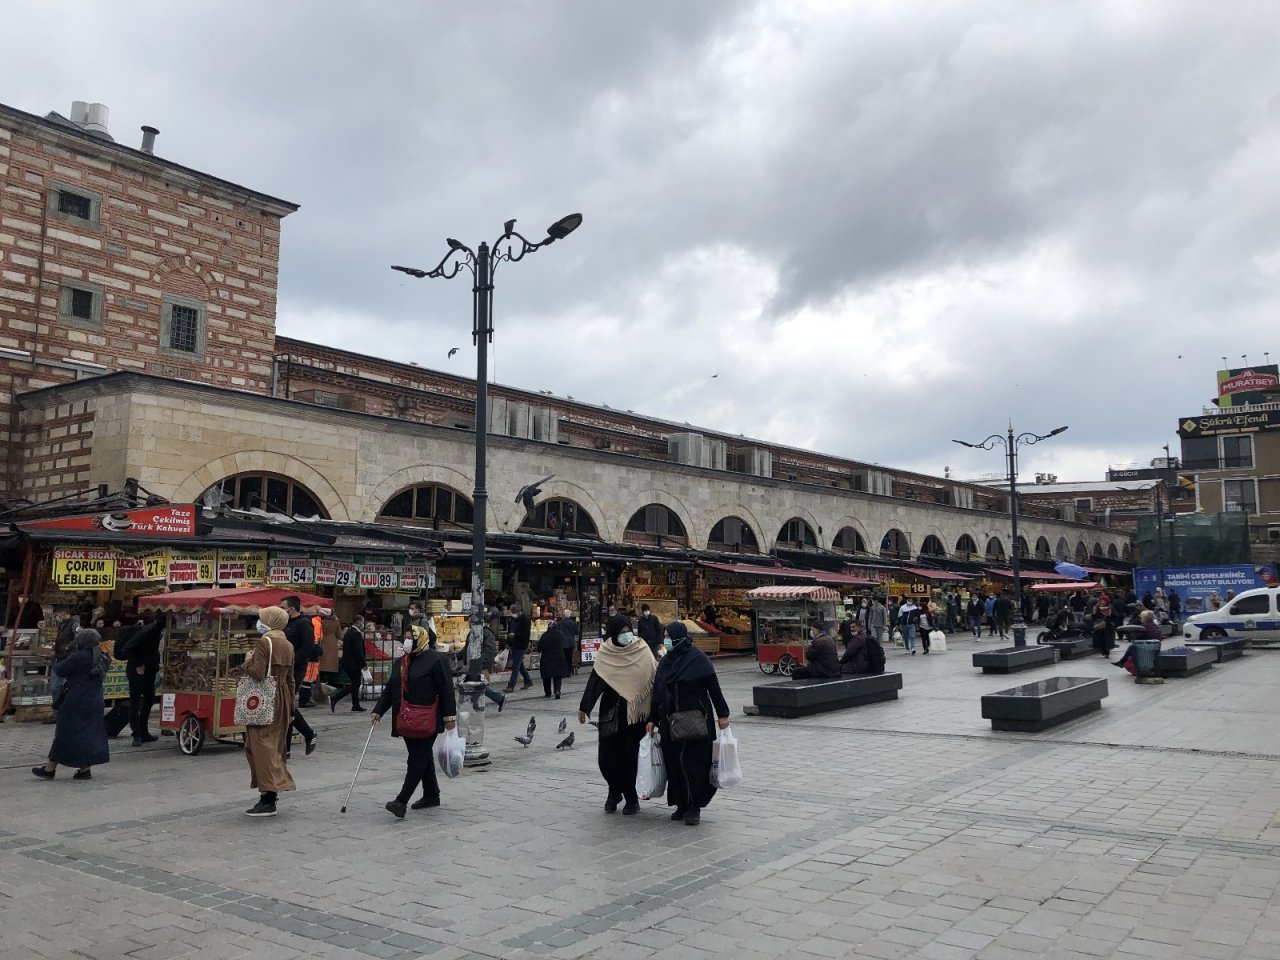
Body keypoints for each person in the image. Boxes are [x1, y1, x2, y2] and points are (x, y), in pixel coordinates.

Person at [647, 622, 731, 826]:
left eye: (668, 636)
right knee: (674, 763)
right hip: (670, 721)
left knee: (695, 764)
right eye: (664, 635)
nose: (666, 639)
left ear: (679, 637)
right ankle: (681, 804)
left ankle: (694, 806)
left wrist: (723, 714)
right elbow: (658, 692)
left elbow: (714, 687)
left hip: (696, 721)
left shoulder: (698, 659)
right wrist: (652, 718)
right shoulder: (666, 662)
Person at [372, 624, 458, 818]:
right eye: (406, 637)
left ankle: (401, 801)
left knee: (417, 758)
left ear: (422, 638)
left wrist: (450, 718)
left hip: (428, 717)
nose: (407, 640)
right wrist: (378, 710)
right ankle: (431, 794)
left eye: (412, 637)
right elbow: (391, 689)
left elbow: (447, 690)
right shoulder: (402, 662)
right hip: (406, 718)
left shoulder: (437, 660)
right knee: (422, 756)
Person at [579, 614, 656, 815]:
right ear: (613, 634)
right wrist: (584, 707)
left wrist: (655, 715)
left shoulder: (642, 649)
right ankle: (614, 789)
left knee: (630, 758)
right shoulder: (606, 652)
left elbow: (653, 680)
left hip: (635, 715)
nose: (626, 635)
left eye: (627, 631)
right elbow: (596, 680)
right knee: (606, 758)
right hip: (611, 712)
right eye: (621, 632)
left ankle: (630, 797)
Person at [32, 628, 110, 782]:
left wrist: (57, 657)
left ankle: (50, 769)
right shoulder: (102, 656)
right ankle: (84, 769)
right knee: (87, 735)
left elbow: (60, 670)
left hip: (76, 701)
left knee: (64, 732)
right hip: (95, 701)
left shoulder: (80, 656)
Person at [241, 606, 296, 816]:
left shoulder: (266, 641)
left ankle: (268, 797)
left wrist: (247, 660)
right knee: (274, 747)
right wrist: (291, 707)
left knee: (260, 747)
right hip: (281, 697)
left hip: (264, 699)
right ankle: (272, 790)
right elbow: (291, 680)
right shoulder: (288, 644)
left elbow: (257, 674)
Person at [281, 597, 318, 755]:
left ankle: (307, 734)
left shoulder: (303, 623)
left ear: (292, 608)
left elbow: (308, 646)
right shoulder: (286, 623)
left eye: (283, 607)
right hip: (284, 669)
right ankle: (288, 746)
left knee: (288, 706)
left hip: (295, 669)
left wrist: (293, 660)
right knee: (286, 707)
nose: (281, 610)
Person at [124, 614, 164, 745]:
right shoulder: (148, 631)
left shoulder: (156, 631)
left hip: (149, 670)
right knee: (135, 701)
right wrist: (139, 663)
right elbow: (129, 648)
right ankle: (136, 734)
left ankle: (143, 730)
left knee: (149, 698)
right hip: (137, 670)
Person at [330, 615, 367, 712]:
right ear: (359, 622)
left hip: (347, 662)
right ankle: (335, 697)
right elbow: (359, 651)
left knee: (354, 683)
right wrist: (364, 664)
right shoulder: (356, 634)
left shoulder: (349, 632)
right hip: (353, 663)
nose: (363, 624)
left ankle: (356, 705)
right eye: (362, 622)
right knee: (356, 684)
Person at [504, 608, 534, 692]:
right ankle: (528, 680)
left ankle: (511, 685)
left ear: (519, 612)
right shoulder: (514, 619)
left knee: (516, 665)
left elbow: (526, 633)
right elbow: (510, 630)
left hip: (521, 645)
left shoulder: (526, 620)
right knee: (519, 664)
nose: (513, 614)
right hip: (513, 644)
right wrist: (508, 642)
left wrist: (515, 635)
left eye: (514, 613)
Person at [538, 618, 568, 699]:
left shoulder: (544, 635)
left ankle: (548, 693)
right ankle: (557, 690)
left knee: (546, 677)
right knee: (557, 676)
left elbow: (539, 647)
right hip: (559, 658)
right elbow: (564, 644)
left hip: (546, 659)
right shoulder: (560, 634)